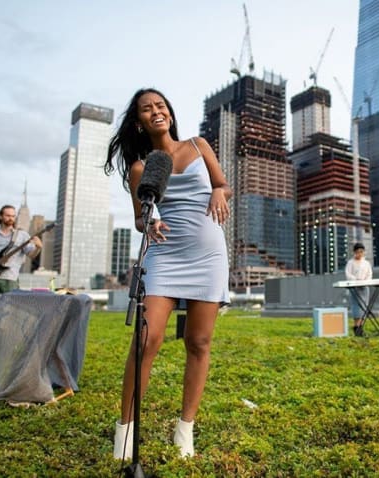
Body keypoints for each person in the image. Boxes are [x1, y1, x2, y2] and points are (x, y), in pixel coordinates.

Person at [104, 88, 231, 460]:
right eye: (147, 109)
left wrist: (219, 193)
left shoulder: (199, 145)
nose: (155, 111)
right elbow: (141, 220)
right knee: (146, 339)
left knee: (199, 342)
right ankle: (125, 430)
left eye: (160, 106)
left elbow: (221, 184)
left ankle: (185, 429)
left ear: (170, 113)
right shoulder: (141, 168)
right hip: (164, 256)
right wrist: (151, 222)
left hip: (207, 255)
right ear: (140, 121)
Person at [0, 205, 42, 319]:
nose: (11, 218)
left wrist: (38, 247)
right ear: (0, 216)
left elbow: (31, 255)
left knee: (12, 313)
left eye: (13, 216)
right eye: (8, 215)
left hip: (10, 278)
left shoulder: (22, 235)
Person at [345, 242, 372, 337]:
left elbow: (369, 274)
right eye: (357, 252)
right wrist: (356, 279)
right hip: (354, 287)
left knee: (364, 307)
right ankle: (356, 326)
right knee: (356, 307)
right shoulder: (350, 262)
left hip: (364, 287)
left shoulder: (366, 263)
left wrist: (365, 280)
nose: (359, 254)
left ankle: (360, 327)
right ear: (354, 252)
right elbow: (348, 274)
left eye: (361, 252)